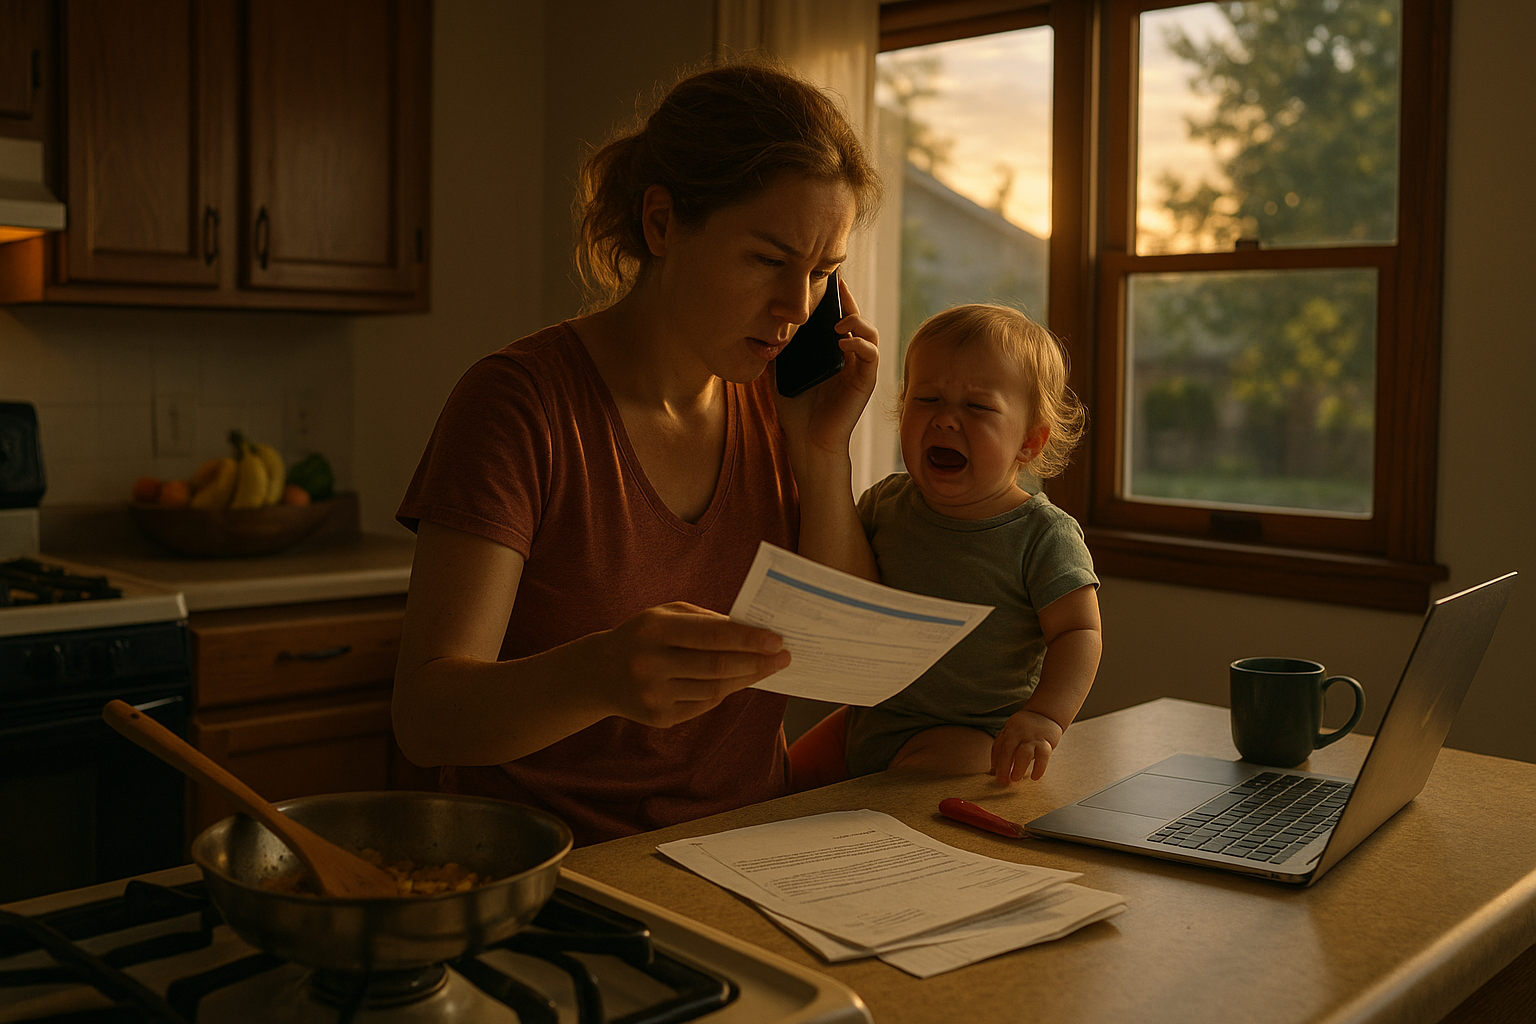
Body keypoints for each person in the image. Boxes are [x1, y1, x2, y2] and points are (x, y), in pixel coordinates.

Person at [391, 59, 882, 846]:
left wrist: (822, 453)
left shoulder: (784, 407)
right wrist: (597, 675)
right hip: (560, 869)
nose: (797, 307)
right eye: (768, 260)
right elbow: (426, 720)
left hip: (748, 857)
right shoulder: (520, 404)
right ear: (661, 223)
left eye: (823, 273)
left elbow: (847, 661)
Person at [787, 303, 1102, 789]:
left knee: (901, 796)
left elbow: (1079, 632)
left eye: (977, 407)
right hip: (867, 719)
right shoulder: (885, 503)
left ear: (1030, 442)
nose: (945, 420)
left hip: (972, 731)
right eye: (926, 398)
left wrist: (1045, 716)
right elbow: (835, 581)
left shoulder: (1043, 534)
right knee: (777, 785)